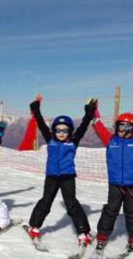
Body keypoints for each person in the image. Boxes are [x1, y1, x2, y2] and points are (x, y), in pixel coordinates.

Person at [89, 98, 133, 259]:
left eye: (128, 127)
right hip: (115, 184)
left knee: (132, 212)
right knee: (110, 210)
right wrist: (95, 114)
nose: (124, 130)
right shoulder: (111, 140)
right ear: (117, 127)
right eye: (121, 126)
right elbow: (99, 128)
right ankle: (102, 236)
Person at [26, 96, 94, 248]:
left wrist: (89, 113)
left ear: (70, 131)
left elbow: (83, 126)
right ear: (53, 131)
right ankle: (34, 227)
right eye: (58, 130)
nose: (61, 133)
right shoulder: (50, 139)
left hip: (68, 177)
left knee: (71, 204)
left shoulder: (73, 141)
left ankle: (83, 232)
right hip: (51, 177)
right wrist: (36, 109)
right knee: (46, 201)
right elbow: (41, 124)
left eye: (65, 131)